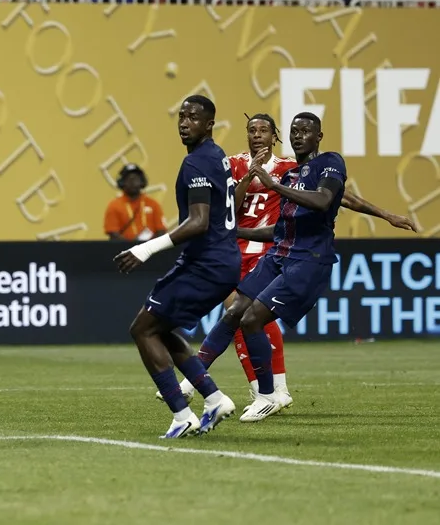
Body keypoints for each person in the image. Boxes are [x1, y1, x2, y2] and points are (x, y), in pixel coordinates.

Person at [166, 114, 416, 410]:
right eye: (252, 130)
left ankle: (270, 389)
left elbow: (338, 198)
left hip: (277, 250)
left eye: (264, 130)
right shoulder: (235, 164)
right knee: (237, 313)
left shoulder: (291, 169)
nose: (257, 135)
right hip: (244, 249)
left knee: (253, 316)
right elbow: (228, 205)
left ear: (275, 137)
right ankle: (238, 386)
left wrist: (387, 215)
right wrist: (251, 178)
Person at [113, 95, 239, 439]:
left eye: (193, 117)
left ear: (210, 124)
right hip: (220, 259)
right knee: (162, 330)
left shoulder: (197, 163)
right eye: (181, 117)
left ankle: (182, 414)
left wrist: (147, 248)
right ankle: (213, 398)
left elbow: (198, 222)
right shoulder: (216, 156)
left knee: (142, 329)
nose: (185, 123)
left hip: (207, 263)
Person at [104, 164, 166, 242]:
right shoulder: (114, 205)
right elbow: (113, 234)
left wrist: (149, 247)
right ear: (122, 182)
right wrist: (131, 248)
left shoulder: (153, 204)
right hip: (125, 251)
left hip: (151, 250)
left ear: (142, 181)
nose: (133, 182)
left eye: (136, 179)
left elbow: (161, 231)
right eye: (129, 179)